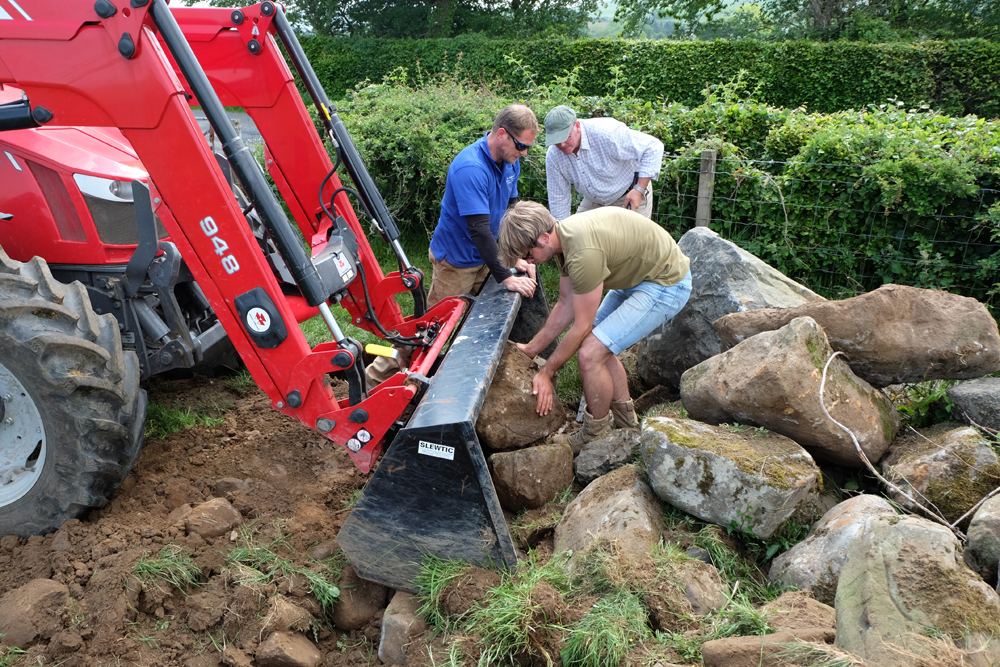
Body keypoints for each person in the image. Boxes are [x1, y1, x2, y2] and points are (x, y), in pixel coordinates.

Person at [366, 105, 539, 387]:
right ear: (502, 134)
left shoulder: (511, 162)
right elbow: (479, 230)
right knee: (430, 329)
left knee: (474, 324)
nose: (524, 153)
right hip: (457, 261)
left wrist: (512, 256)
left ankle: (435, 380)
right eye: (521, 145)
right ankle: (373, 382)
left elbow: (511, 211)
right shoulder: (470, 168)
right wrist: (505, 274)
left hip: (488, 256)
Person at [497, 201, 692, 449]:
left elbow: (581, 326)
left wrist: (547, 372)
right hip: (636, 274)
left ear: (544, 237)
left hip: (665, 282)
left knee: (590, 352)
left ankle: (595, 433)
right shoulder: (563, 240)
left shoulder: (582, 251)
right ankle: (626, 421)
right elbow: (566, 304)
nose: (529, 261)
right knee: (599, 343)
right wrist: (532, 349)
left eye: (527, 254)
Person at [543, 105, 664, 221]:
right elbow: (558, 200)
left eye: (566, 137)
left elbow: (653, 147)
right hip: (594, 201)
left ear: (577, 126)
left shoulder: (606, 133)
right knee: (574, 236)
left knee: (632, 241)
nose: (562, 144)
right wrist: (560, 234)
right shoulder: (554, 156)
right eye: (556, 141)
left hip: (629, 194)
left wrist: (639, 190)